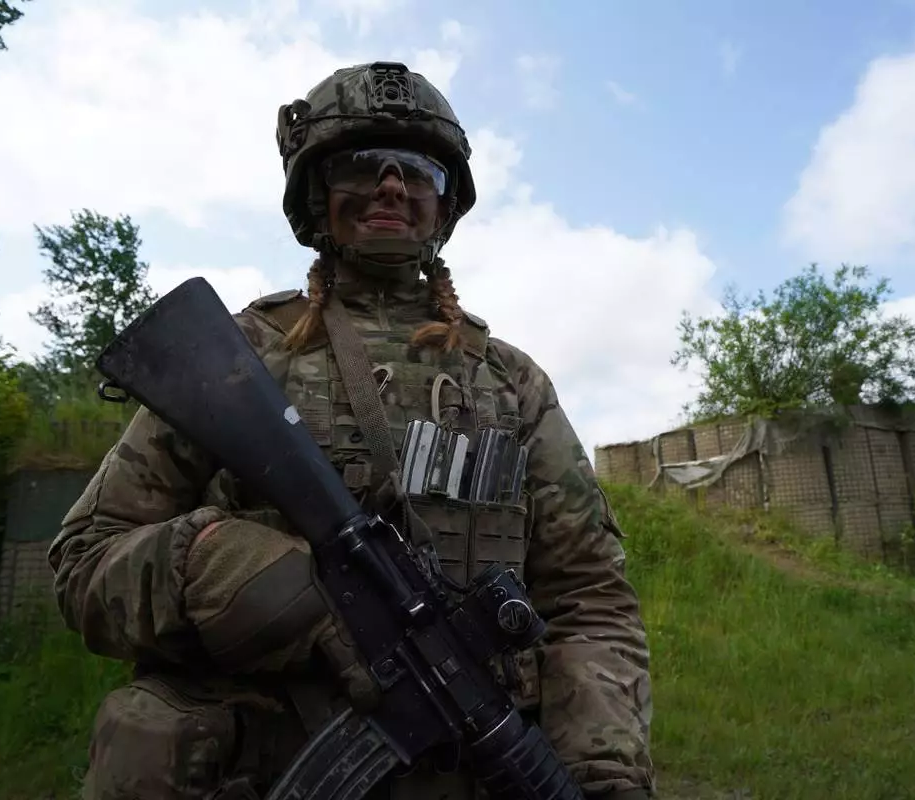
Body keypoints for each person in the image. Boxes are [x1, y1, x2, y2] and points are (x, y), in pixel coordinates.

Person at [49, 61, 654, 800]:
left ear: (443, 201)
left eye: (418, 169)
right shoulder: (240, 363)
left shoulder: (509, 383)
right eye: (363, 164)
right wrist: (215, 565)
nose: (392, 184)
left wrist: (600, 769)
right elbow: (83, 562)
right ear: (317, 195)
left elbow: (590, 596)